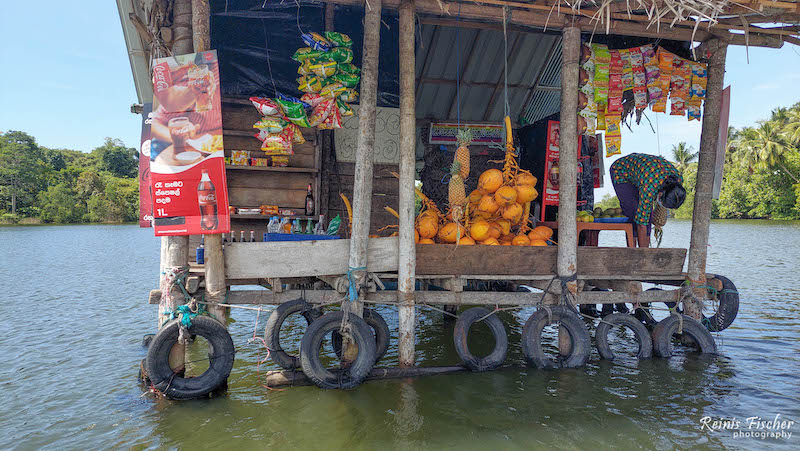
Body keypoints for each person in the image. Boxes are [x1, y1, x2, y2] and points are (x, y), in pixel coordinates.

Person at [610, 153, 686, 248]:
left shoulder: (678, 180)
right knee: (633, 214)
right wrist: (644, 255)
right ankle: (632, 252)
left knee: (648, 216)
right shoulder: (649, 187)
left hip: (644, 173)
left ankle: (643, 251)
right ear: (661, 194)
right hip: (621, 171)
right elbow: (642, 224)